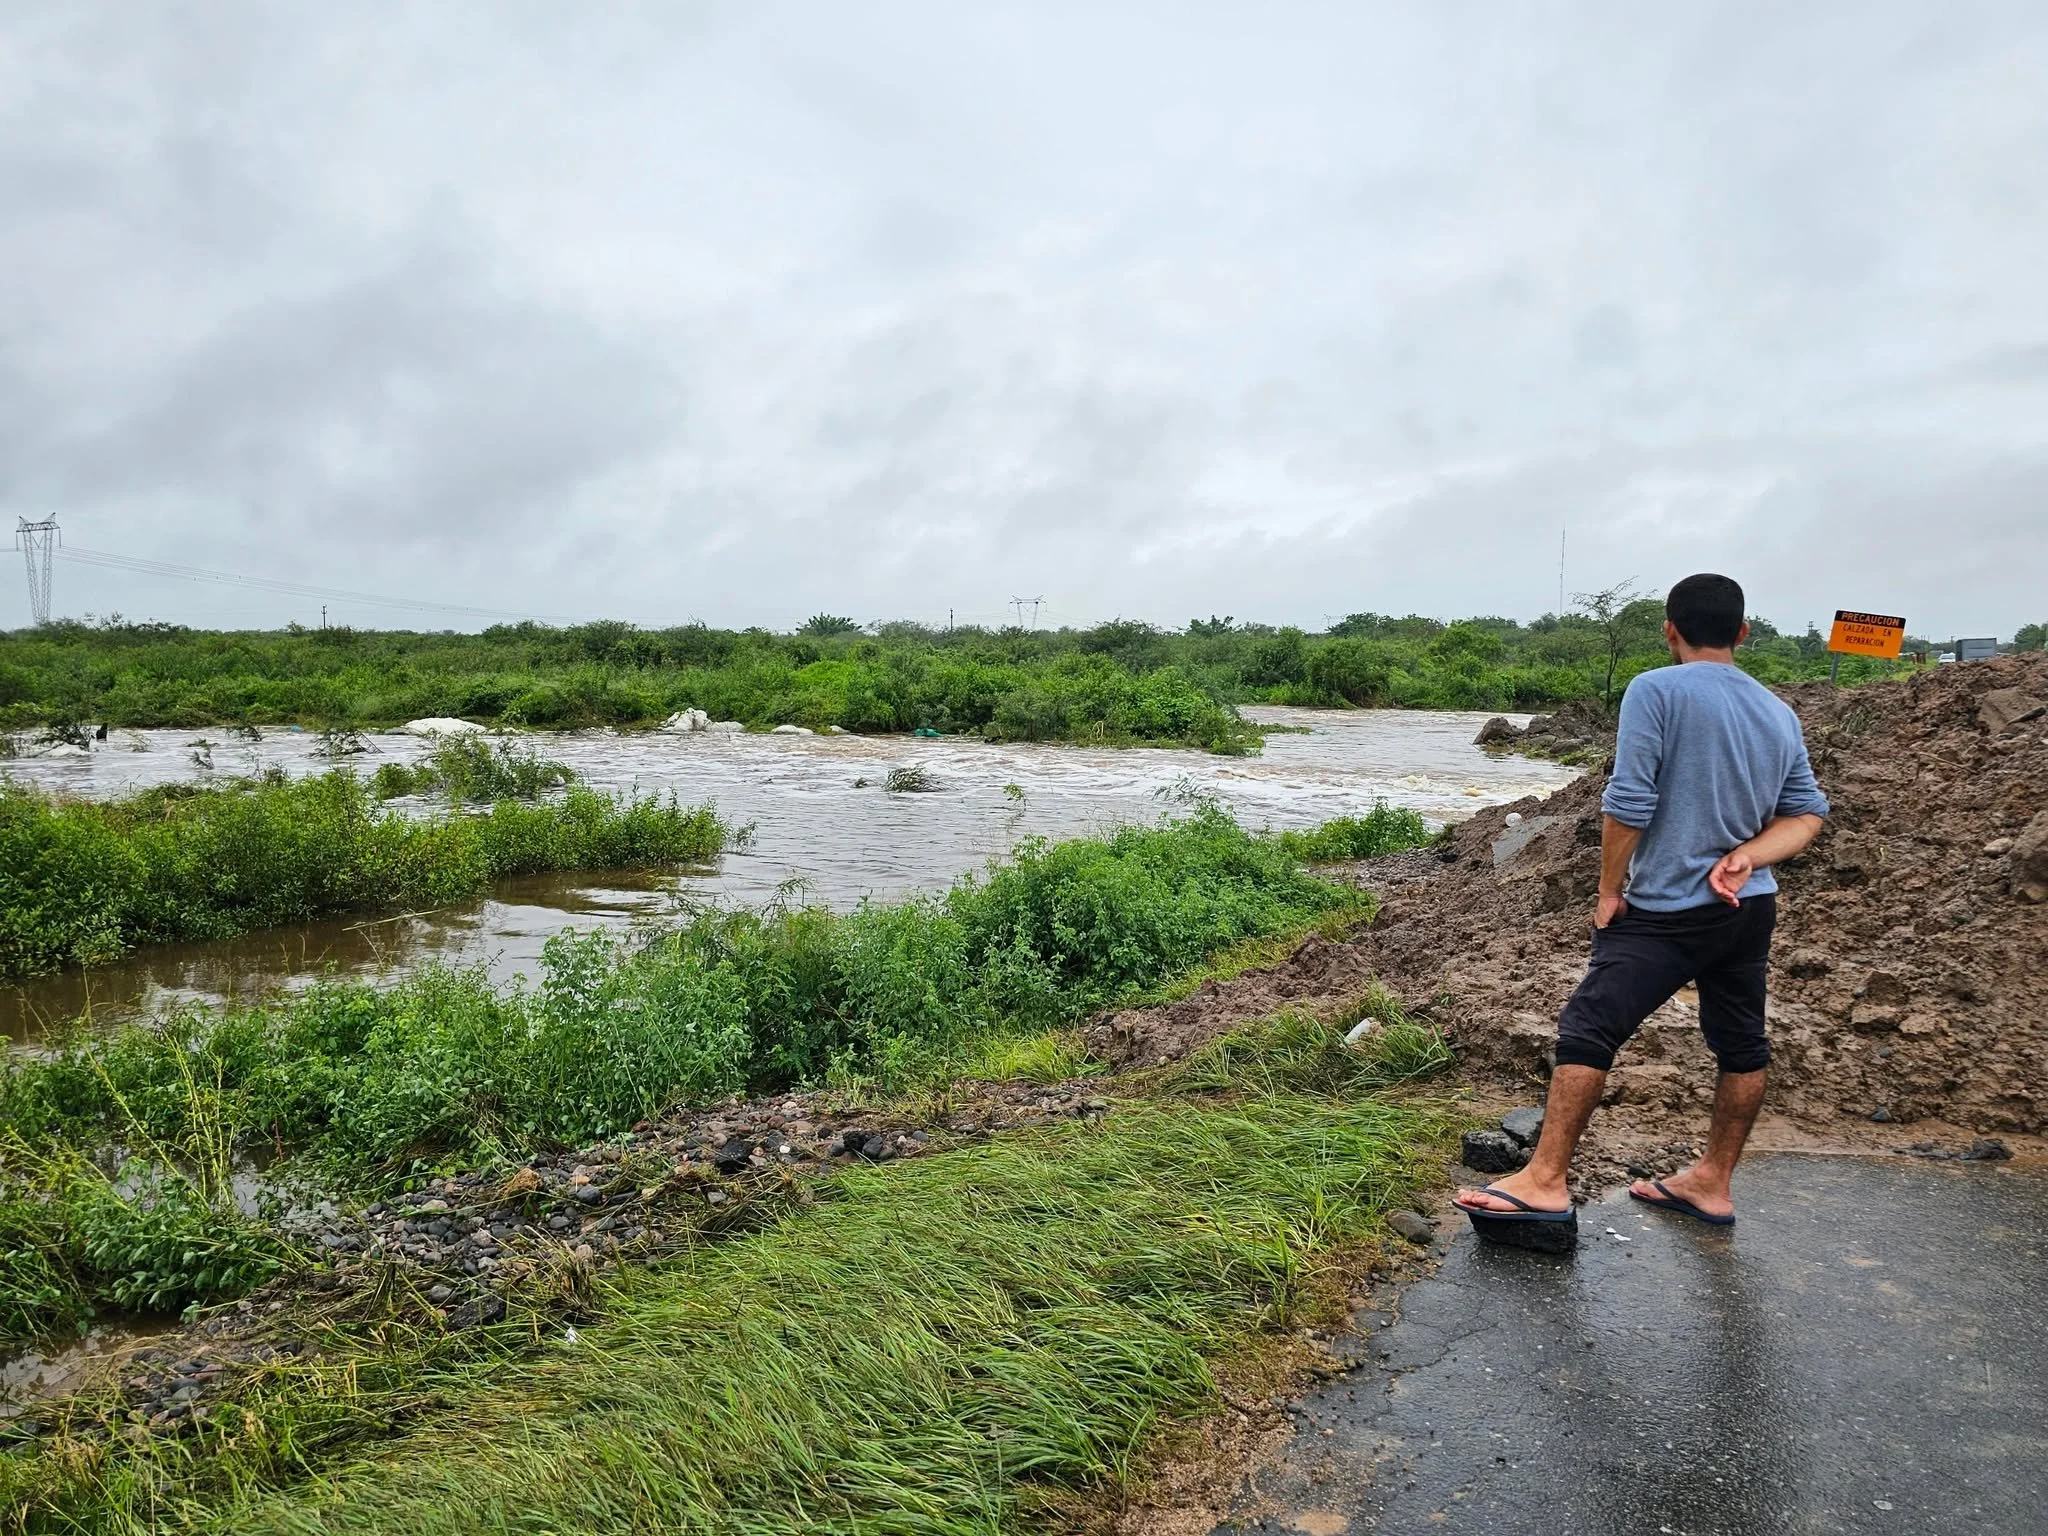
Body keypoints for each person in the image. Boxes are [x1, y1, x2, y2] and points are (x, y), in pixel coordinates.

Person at [1454, 572, 1829, 1245]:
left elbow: (1628, 803)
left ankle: (1543, 1181)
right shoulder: (1779, 711)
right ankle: (1712, 1182)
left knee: (1588, 1026)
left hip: (1668, 909)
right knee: (1742, 1044)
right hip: (1748, 908)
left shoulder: (1655, 690)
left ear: (1670, 630)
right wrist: (1750, 855)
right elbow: (1805, 815)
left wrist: (1608, 891)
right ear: (1743, 633)